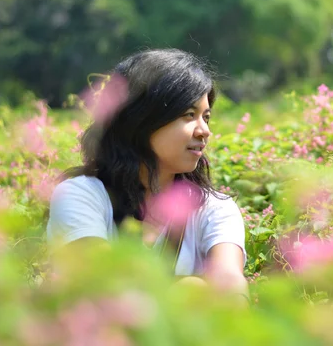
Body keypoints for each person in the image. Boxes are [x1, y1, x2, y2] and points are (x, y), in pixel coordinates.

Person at [46, 48, 248, 303]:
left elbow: (230, 284)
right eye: (189, 115)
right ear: (141, 120)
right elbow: (101, 283)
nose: (204, 131)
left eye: (206, 117)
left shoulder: (215, 209)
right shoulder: (81, 196)